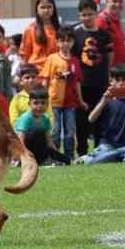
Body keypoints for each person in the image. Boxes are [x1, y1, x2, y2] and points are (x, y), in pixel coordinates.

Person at [67, 0, 111, 155]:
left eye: (90, 14)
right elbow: (71, 60)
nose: (87, 18)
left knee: (100, 118)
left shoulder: (104, 35)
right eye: (83, 15)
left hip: (100, 83)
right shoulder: (75, 34)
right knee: (81, 120)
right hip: (81, 84)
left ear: (97, 14)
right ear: (79, 15)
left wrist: (108, 80)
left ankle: (100, 148)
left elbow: (109, 60)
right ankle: (82, 151)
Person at [80, 65, 125, 163]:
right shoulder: (106, 99)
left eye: (124, 80)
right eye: (117, 80)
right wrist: (104, 101)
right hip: (107, 144)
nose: (121, 83)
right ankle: (99, 157)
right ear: (111, 81)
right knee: (94, 161)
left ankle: (109, 157)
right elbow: (91, 118)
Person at [39, 33, 82, 161]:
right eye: (62, 41)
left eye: (68, 41)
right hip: (54, 101)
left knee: (70, 131)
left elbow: (78, 82)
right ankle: (55, 157)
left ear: (73, 42)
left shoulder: (75, 61)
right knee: (55, 130)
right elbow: (45, 79)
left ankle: (69, 157)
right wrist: (43, 97)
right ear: (57, 42)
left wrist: (80, 100)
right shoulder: (52, 58)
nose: (65, 44)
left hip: (71, 103)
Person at [14, 87, 69, 165]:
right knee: (38, 133)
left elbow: (48, 140)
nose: (39, 106)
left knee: (66, 160)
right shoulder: (26, 118)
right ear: (29, 104)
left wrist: (56, 153)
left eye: (43, 103)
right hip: (23, 148)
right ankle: (22, 161)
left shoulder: (46, 118)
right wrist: (24, 155)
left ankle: (46, 160)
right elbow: (20, 140)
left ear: (47, 105)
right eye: (36, 103)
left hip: (38, 147)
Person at [17, 0, 61, 71]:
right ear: (37, 9)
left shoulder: (60, 29)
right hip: (37, 73)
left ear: (54, 9)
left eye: (49, 7)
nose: (46, 10)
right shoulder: (30, 29)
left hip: (56, 72)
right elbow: (24, 55)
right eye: (42, 7)